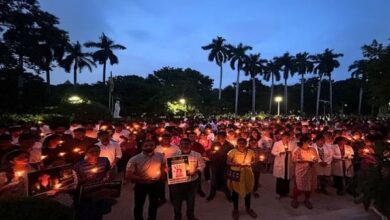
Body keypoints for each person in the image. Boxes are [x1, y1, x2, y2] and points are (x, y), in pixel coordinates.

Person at [126, 139, 165, 220]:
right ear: (142, 147)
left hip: (155, 184)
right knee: (139, 204)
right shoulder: (134, 159)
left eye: (151, 145)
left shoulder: (160, 156)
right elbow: (128, 175)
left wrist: (161, 178)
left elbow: (162, 167)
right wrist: (144, 179)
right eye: (146, 145)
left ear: (155, 146)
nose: (149, 147)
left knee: (154, 204)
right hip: (141, 185)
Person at [169, 138, 205, 220]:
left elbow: (202, 165)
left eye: (187, 144)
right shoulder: (174, 155)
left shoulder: (197, 155)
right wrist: (168, 170)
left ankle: (190, 216)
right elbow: (169, 167)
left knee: (191, 200)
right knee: (177, 201)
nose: (185, 145)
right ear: (180, 146)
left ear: (190, 145)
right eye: (183, 144)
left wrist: (196, 171)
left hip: (192, 182)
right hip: (177, 183)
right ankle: (177, 216)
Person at [73, 146, 111, 220]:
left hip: (99, 190)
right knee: (86, 213)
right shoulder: (78, 165)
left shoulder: (104, 160)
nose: (95, 153)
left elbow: (107, 171)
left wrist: (107, 176)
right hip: (86, 192)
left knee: (99, 211)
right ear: (86, 153)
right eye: (92, 151)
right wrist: (85, 179)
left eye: (97, 151)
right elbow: (75, 181)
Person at [227, 138, 257, 220]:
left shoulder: (251, 152)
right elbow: (228, 162)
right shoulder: (232, 152)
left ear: (246, 144)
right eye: (240, 143)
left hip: (247, 173)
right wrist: (236, 164)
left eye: (243, 143)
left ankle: (248, 208)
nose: (241, 145)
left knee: (248, 190)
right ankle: (235, 209)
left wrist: (249, 163)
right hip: (236, 173)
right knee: (235, 192)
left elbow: (254, 161)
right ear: (237, 144)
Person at [291, 135, 318, 209]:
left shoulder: (313, 149)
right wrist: (306, 161)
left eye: (310, 142)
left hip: (311, 170)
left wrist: (314, 160)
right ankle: (295, 199)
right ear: (303, 142)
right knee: (298, 185)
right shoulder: (298, 150)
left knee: (309, 185)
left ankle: (307, 200)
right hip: (301, 170)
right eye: (308, 142)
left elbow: (316, 158)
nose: (310, 143)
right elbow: (294, 159)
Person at [207, 131, 234, 201]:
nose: (220, 138)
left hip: (225, 165)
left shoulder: (230, 145)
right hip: (215, 164)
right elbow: (211, 153)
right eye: (219, 137)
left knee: (225, 180)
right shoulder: (215, 144)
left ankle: (228, 195)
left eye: (222, 137)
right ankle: (212, 194)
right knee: (214, 179)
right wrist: (212, 153)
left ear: (225, 137)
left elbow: (232, 156)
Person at [154, 133, 180, 204]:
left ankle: (173, 198)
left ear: (170, 139)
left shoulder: (176, 148)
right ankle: (162, 198)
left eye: (168, 139)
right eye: (165, 139)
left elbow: (179, 157)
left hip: (172, 168)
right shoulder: (157, 148)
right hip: (160, 169)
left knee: (172, 185)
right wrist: (160, 157)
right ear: (162, 139)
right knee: (160, 185)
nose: (166, 140)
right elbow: (153, 159)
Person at [271, 132, 295, 199]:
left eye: (287, 137)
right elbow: (273, 152)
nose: (286, 139)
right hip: (280, 163)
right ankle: (279, 193)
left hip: (288, 163)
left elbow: (294, 152)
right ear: (282, 137)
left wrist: (291, 152)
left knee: (287, 179)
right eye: (284, 137)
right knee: (280, 179)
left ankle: (286, 192)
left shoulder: (291, 144)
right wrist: (279, 153)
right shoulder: (277, 143)